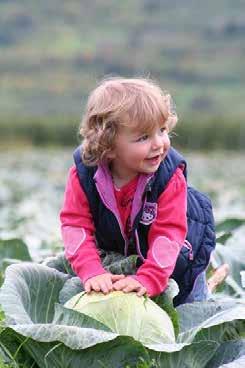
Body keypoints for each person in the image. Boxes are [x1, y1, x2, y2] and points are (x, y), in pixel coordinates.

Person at [60, 77, 228, 303]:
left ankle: (204, 293)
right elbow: (75, 225)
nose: (159, 143)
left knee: (188, 310)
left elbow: (169, 234)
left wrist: (149, 278)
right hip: (128, 252)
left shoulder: (169, 178)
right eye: (144, 137)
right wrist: (91, 270)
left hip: (181, 252)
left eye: (162, 130)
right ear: (108, 147)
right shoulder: (84, 176)